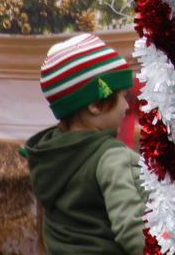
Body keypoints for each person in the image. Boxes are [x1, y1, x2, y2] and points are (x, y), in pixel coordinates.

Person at [22, 33, 145, 255]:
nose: (127, 106)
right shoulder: (111, 158)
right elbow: (135, 232)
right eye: (122, 96)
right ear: (95, 105)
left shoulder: (49, 157)